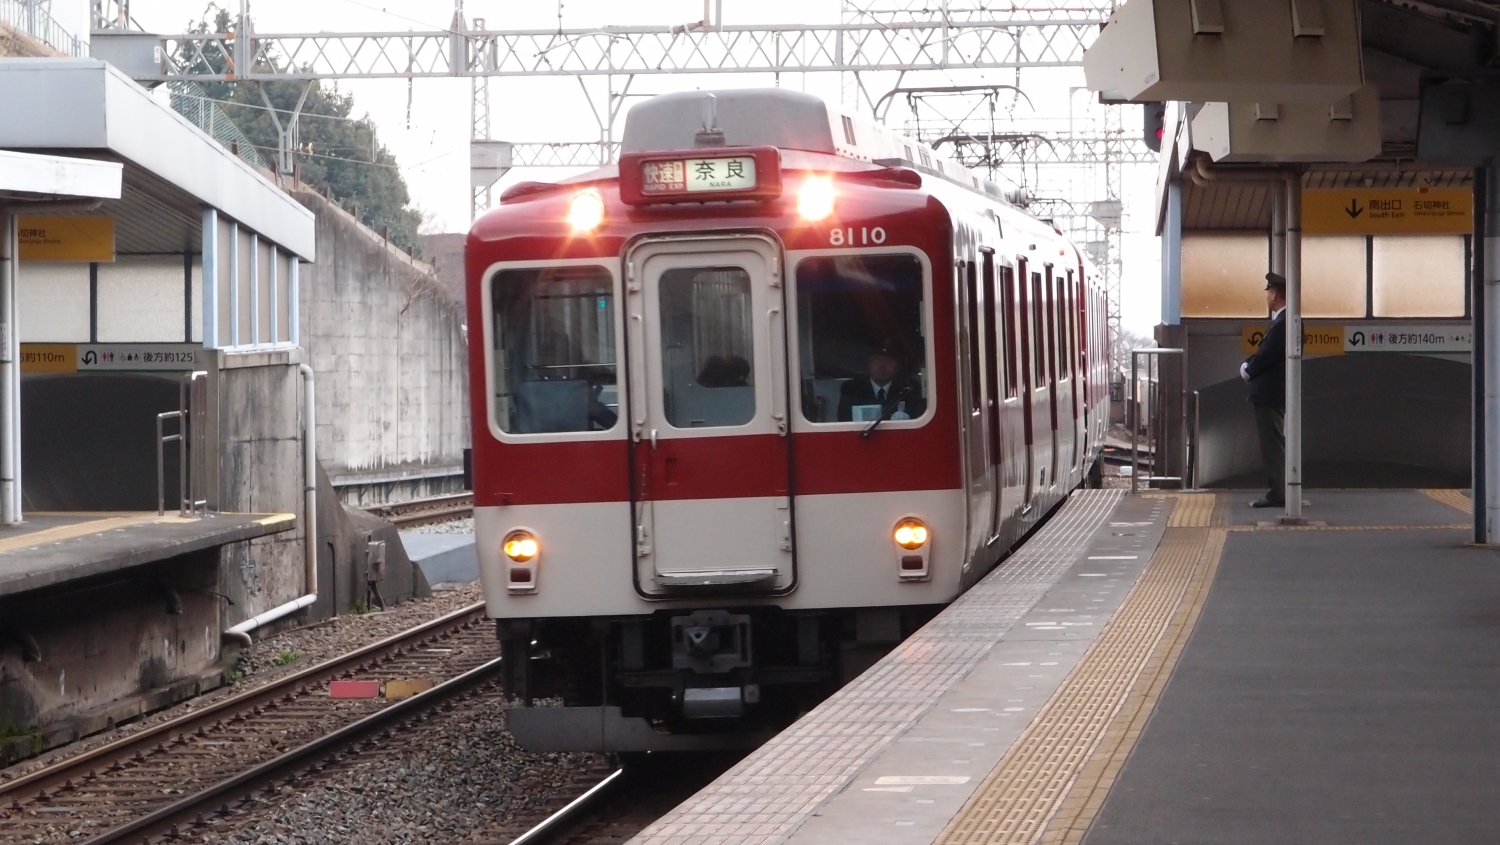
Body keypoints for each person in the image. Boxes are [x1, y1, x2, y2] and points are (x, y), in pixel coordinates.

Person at [1240, 272, 1287, 509]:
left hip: (1270, 393)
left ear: (1275, 295)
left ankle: (1279, 492)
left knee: (1272, 444)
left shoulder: (1283, 323)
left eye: (1269, 292)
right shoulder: (1283, 321)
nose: (1267, 296)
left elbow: (1267, 355)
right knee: (1275, 442)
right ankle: (1281, 490)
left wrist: (1248, 370)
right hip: (1274, 392)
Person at [838, 348, 926, 422]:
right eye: (877, 359)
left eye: (889, 361)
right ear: (869, 363)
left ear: (897, 367)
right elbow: (844, 420)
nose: (882, 366)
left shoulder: (909, 388)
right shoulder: (852, 388)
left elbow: (917, 417)